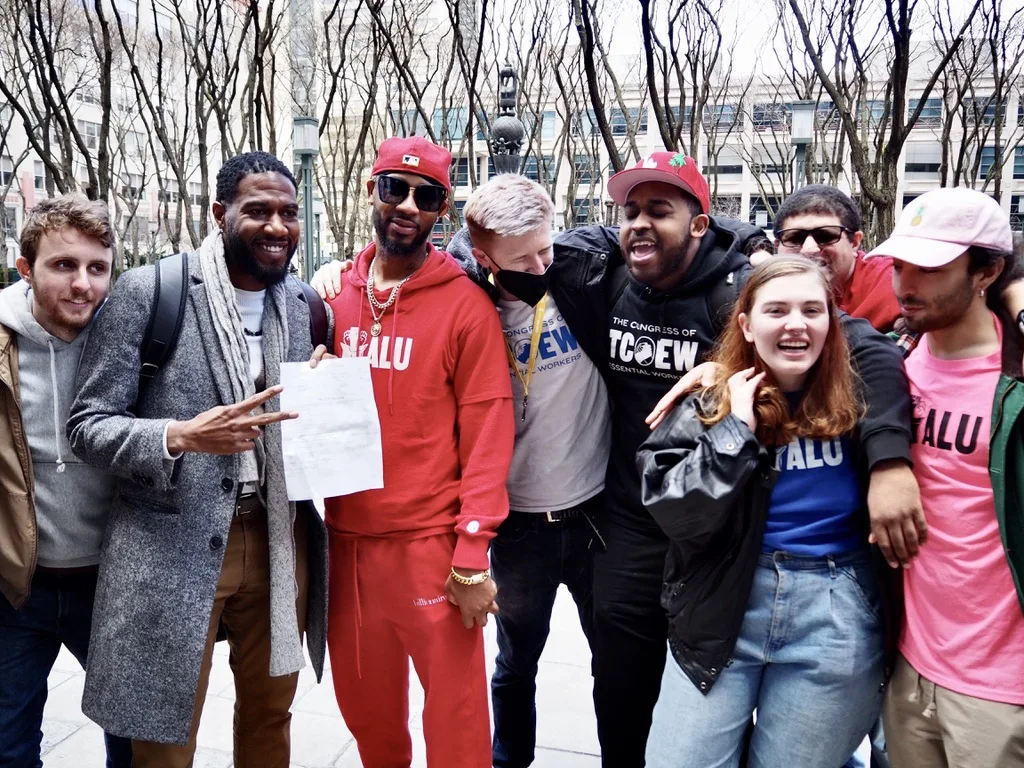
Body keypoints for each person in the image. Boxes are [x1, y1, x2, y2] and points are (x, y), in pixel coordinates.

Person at [546, 151, 915, 766]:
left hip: (728, 541)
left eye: (659, 211)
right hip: (634, 522)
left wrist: (888, 462)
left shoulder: (737, 287)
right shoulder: (603, 278)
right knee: (623, 685)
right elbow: (533, 248)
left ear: (699, 224)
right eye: (629, 211)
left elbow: (863, 351)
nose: (638, 223)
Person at [66, 151, 329, 767]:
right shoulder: (146, 292)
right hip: (165, 543)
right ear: (219, 214)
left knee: (270, 717)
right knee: (163, 735)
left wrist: (319, 387)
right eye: (257, 210)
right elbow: (87, 426)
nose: (276, 226)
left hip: (275, 539)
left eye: (288, 213)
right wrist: (177, 436)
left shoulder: (301, 305)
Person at [637, 256, 886, 767]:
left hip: (835, 612)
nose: (796, 324)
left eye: (811, 310)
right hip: (724, 604)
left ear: (831, 323)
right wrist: (735, 435)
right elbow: (671, 509)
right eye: (777, 310)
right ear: (748, 325)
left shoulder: (866, 402)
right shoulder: (709, 401)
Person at [321, 136, 514, 768]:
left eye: (426, 196)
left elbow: (489, 434)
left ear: (441, 211)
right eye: (394, 189)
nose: (407, 205)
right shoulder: (332, 298)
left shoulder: (465, 306)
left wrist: (472, 553)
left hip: (431, 547)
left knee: (456, 724)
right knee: (368, 716)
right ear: (370, 190)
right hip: (347, 543)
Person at [453, 174, 609, 767]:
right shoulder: (469, 308)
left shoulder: (583, 279)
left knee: (613, 658)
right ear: (483, 255)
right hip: (518, 525)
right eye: (522, 258)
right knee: (516, 664)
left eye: (546, 247)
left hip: (595, 512)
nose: (542, 265)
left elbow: (677, 239)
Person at [865, 188, 1024, 767]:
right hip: (908, 666)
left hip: (1002, 690)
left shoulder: (1016, 382)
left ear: (988, 271)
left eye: (930, 269)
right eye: (901, 263)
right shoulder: (892, 360)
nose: (905, 284)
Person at [0, 194, 132, 768]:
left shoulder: (130, 341)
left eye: (97, 268)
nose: (83, 285)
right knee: (8, 746)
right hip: (15, 589)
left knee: (134, 744)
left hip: (113, 584)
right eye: (63, 266)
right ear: (26, 269)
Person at [772, 184, 901, 332]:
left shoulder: (896, 283)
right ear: (777, 246)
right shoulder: (761, 291)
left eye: (825, 236)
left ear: (854, 242)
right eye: (795, 238)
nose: (809, 249)